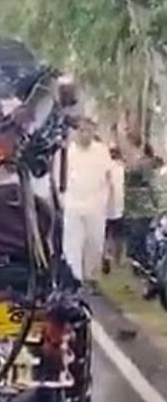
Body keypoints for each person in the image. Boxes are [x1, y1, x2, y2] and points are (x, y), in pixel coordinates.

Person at [63, 117, 115, 285]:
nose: (85, 134)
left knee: (94, 243)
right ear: (76, 132)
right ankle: (74, 280)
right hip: (73, 205)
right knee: (73, 244)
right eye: (81, 130)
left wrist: (111, 205)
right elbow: (59, 179)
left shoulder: (102, 151)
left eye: (89, 130)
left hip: (96, 206)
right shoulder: (68, 152)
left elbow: (109, 178)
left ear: (94, 131)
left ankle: (91, 277)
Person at [124, 143, 166, 264]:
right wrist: (158, 204)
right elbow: (153, 186)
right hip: (144, 206)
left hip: (134, 205)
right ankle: (141, 258)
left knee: (137, 231)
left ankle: (136, 256)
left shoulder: (138, 163)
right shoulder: (147, 164)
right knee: (143, 232)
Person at [104, 143, 126, 272]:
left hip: (105, 209)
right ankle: (118, 260)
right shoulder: (122, 168)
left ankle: (106, 256)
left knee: (106, 236)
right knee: (119, 236)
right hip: (119, 207)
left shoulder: (104, 169)